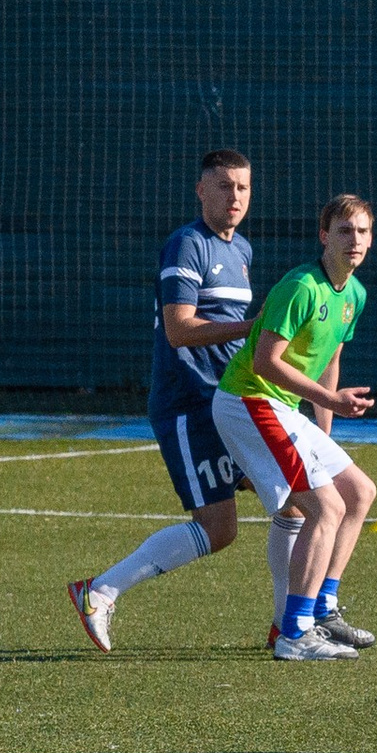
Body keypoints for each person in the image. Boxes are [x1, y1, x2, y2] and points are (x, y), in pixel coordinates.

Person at [70, 149, 264, 651]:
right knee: (219, 529)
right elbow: (180, 330)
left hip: (229, 403)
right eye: (223, 186)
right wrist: (255, 326)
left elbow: (235, 344)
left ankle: (298, 620)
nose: (234, 196)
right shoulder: (187, 244)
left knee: (297, 498)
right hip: (188, 406)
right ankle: (101, 591)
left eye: (242, 187)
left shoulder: (241, 250)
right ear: (201, 191)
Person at [212, 193, 377, 662]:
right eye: (345, 231)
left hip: (286, 406)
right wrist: (328, 400)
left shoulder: (354, 294)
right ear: (324, 236)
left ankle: (324, 610)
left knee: (358, 492)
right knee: (324, 507)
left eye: (363, 232)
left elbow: (331, 359)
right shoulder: (300, 286)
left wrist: (324, 430)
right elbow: (266, 362)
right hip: (248, 399)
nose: (355, 240)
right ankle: (293, 633)